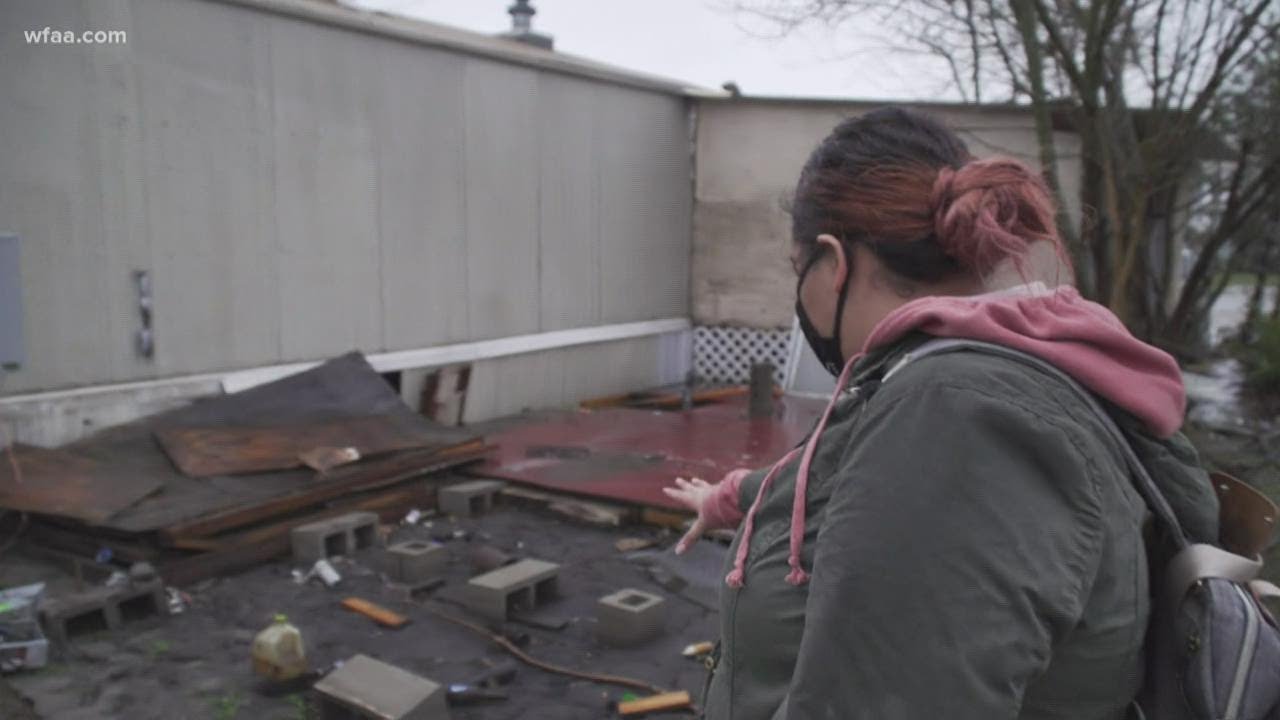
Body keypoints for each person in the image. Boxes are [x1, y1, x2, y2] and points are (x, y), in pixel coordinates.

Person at [662, 107, 1219, 720]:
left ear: (834, 262)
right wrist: (733, 497)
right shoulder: (969, 379)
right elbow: (842, 479)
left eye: (800, 273)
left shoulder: (955, 416)